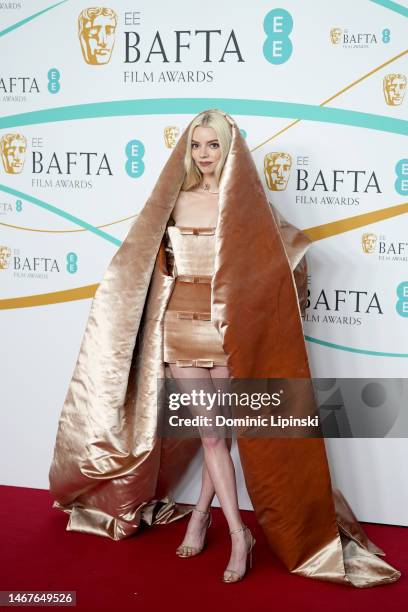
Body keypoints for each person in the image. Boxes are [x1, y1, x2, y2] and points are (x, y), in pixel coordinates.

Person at [49, 109, 400, 588]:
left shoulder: (246, 206)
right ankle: (238, 532)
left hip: (227, 329)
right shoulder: (174, 198)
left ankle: (203, 517)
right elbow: (140, 261)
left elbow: (291, 249)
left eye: (213, 144)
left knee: (223, 433)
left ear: (229, 147)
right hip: (180, 326)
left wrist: (264, 302)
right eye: (196, 145)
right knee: (211, 435)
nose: (204, 154)